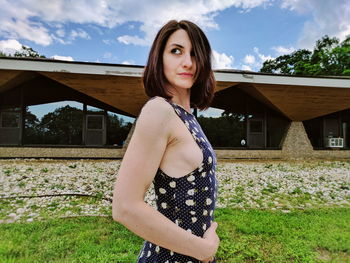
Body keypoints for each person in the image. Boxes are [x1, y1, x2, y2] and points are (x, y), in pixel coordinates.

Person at [112, 20, 219, 263]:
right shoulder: (158, 110)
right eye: (176, 51)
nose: (188, 62)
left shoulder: (186, 116)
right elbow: (124, 207)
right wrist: (203, 250)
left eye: (195, 54)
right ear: (158, 59)